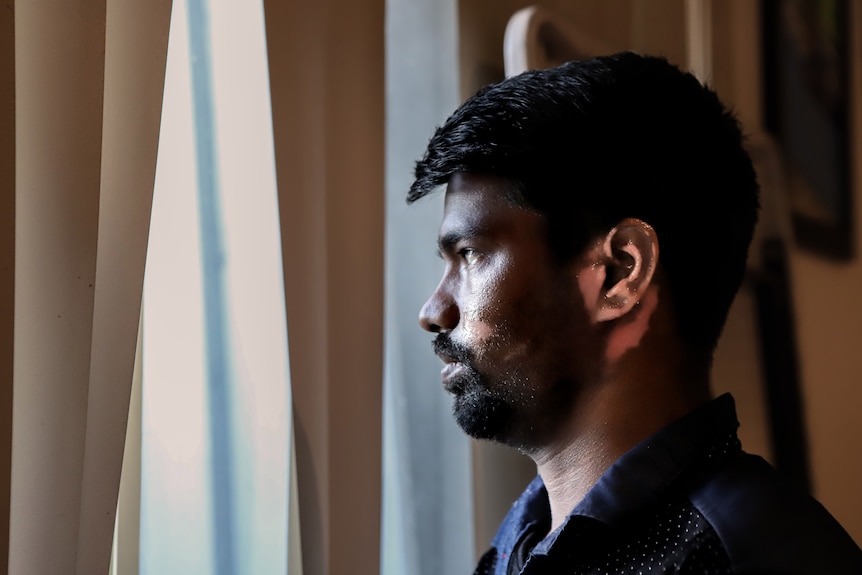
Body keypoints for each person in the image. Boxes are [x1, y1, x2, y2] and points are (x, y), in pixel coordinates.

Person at [407, 52, 862, 574]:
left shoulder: (746, 558)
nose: (433, 311)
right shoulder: (526, 535)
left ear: (619, 273)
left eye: (470, 254)